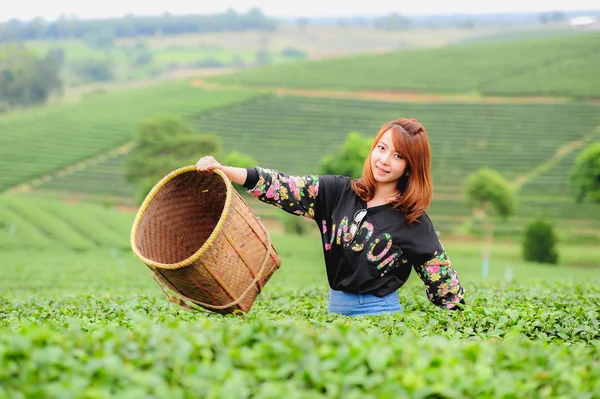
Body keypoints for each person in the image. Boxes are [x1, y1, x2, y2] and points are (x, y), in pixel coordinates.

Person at [196, 117, 465, 316]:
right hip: (335, 307)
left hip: (379, 312)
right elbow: (283, 186)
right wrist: (225, 171)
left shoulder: (412, 219)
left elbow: (442, 281)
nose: (384, 160)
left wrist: (464, 327)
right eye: (381, 148)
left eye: (398, 156)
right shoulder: (339, 192)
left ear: (410, 166)